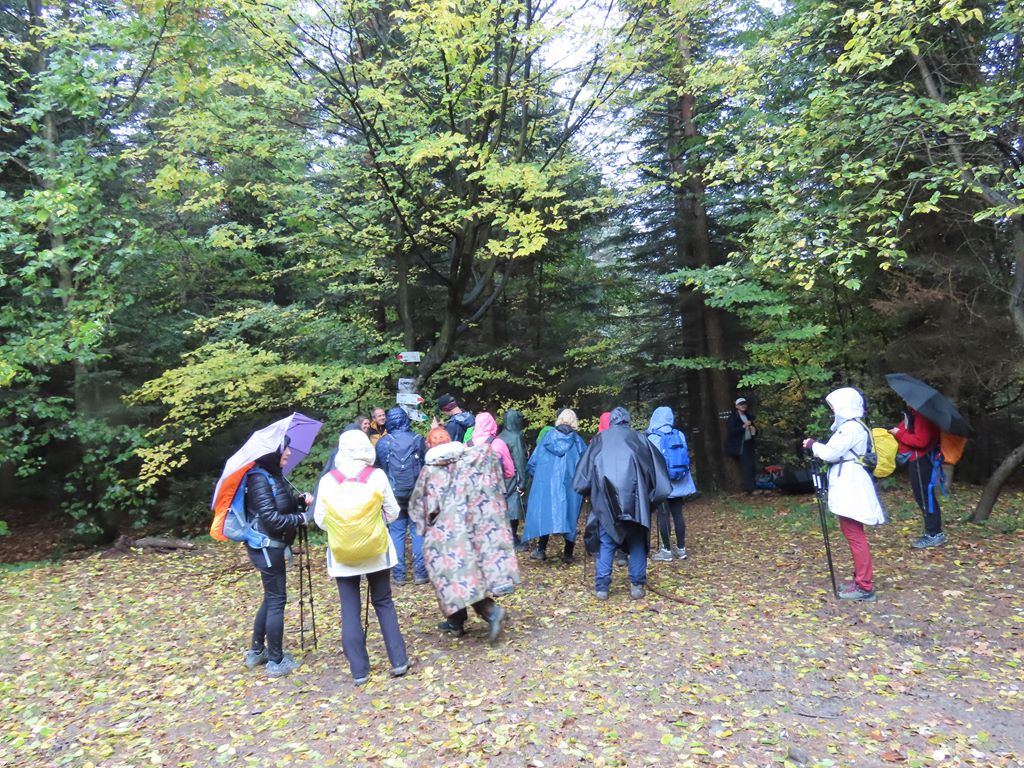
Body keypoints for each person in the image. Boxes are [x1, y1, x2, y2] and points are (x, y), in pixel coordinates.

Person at [313, 430, 409, 685]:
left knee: (350, 609)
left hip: (342, 554)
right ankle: (399, 660)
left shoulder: (329, 481)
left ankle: (359, 671)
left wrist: (344, 530)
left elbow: (320, 519)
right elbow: (393, 512)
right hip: (376, 550)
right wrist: (374, 524)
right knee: (384, 602)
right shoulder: (376, 476)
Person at [408, 427, 520, 641]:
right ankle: (457, 620)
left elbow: (421, 504)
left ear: (429, 445)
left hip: (446, 533)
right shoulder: (470, 461)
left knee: (450, 577)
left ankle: (487, 613)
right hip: (474, 528)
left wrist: (422, 526)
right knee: (467, 574)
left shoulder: (430, 471)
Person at [573, 407, 671, 600]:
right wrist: (653, 496)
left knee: (606, 542)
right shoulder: (640, 439)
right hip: (635, 502)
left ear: (612, 421)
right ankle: (637, 585)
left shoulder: (600, 440)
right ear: (627, 420)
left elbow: (584, 474)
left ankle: (602, 587)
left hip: (606, 502)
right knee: (636, 542)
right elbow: (656, 470)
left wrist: (587, 491)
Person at [803, 387, 886, 601]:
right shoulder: (854, 426)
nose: (833, 411)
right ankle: (861, 581)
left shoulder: (850, 428)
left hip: (851, 484)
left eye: (834, 407)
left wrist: (813, 445)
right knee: (853, 533)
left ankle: (864, 586)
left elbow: (830, 453)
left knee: (855, 535)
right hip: (850, 481)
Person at [242, 438, 314, 678]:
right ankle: (275, 661)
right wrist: (300, 519)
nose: (289, 452)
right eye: (285, 449)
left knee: (271, 597)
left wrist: (299, 502)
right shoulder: (258, 479)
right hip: (267, 547)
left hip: (270, 547)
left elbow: (280, 506)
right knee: (276, 600)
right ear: (273, 452)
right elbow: (272, 519)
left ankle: (257, 652)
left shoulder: (272, 475)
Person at [523, 409, 587, 563]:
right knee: (571, 514)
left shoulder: (547, 438)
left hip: (547, 484)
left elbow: (533, 463)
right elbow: (586, 465)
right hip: (571, 485)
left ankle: (541, 550)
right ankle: (568, 554)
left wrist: (541, 478)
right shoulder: (578, 442)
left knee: (545, 512)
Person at [375, 406, 429, 585]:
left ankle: (399, 576)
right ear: (406, 420)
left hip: (394, 493)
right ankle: (420, 574)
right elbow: (425, 464)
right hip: (416, 492)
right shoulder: (418, 439)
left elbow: (380, 468)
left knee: (397, 532)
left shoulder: (382, 443)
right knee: (417, 531)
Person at [646, 406, 696, 562]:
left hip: (662, 482)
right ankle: (681, 549)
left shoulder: (652, 437)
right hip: (680, 479)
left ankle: (666, 550)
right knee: (678, 514)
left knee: (663, 514)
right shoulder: (679, 434)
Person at [891, 408, 946, 548]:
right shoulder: (917, 413)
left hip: (920, 460)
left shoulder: (921, 415)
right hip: (921, 459)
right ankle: (935, 533)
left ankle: (933, 534)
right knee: (925, 497)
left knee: (925, 497)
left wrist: (897, 433)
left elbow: (921, 441)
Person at [497, 409, 529, 549]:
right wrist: (522, 482)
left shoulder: (499, 436)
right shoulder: (515, 437)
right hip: (512, 476)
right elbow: (519, 460)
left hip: (500, 476)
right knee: (514, 508)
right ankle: (513, 540)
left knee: (504, 507)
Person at [725, 397, 758, 493]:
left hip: (749, 443)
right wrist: (743, 427)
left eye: (744, 404)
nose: (743, 406)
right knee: (747, 466)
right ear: (736, 406)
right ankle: (750, 489)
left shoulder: (748, 417)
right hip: (740, 446)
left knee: (752, 466)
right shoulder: (733, 418)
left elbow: (754, 430)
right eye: (741, 404)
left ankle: (754, 486)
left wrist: (754, 431)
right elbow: (731, 431)